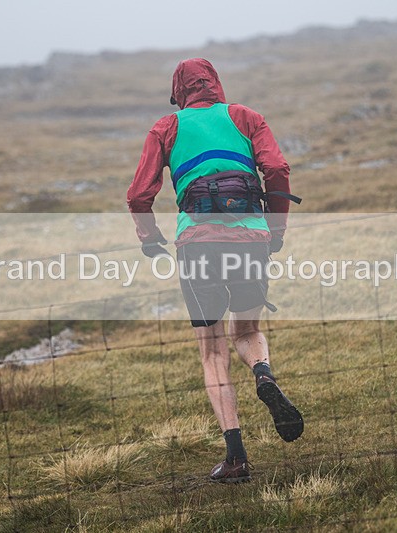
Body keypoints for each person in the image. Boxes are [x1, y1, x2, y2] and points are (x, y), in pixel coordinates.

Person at [127, 58, 303, 483]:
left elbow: (138, 195)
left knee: (212, 351)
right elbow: (277, 170)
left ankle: (237, 459)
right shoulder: (246, 117)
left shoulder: (166, 128)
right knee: (247, 331)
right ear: (216, 85)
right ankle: (263, 374)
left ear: (178, 91)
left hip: (196, 246)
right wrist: (274, 231)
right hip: (249, 240)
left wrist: (150, 239)